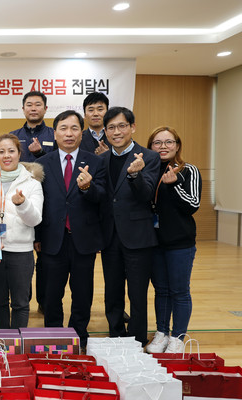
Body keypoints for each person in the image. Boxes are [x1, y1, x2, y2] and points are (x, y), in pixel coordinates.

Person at [34, 111, 105, 347]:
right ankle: (53, 337)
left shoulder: (95, 162)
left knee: (82, 293)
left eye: (74, 128)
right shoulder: (41, 164)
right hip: (52, 239)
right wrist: (36, 236)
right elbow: (37, 204)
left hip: (83, 239)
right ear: (54, 133)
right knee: (52, 294)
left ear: (81, 132)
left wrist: (88, 188)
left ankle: (79, 336)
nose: (68, 133)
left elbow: (102, 198)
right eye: (63, 128)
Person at [99, 107, 160, 345]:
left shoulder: (149, 157)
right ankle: (116, 334)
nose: (117, 131)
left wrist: (135, 176)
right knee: (112, 291)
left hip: (138, 236)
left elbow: (147, 195)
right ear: (105, 131)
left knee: (137, 293)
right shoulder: (101, 159)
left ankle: (136, 338)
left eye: (122, 126)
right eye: (111, 127)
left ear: (132, 127)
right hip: (110, 236)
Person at [145, 127, 201, 354]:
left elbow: (193, 204)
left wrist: (175, 183)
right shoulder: (148, 169)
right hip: (154, 242)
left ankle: (178, 336)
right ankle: (161, 332)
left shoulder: (189, 171)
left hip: (180, 243)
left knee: (179, 290)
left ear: (177, 145)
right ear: (150, 147)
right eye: (157, 143)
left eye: (169, 142)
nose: (163, 147)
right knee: (161, 290)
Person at [0, 133, 43, 329]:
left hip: (21, 252)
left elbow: (35, 220)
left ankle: (17, 350)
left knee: (21, 304)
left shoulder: (32, 183)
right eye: (1, 151)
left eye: (11, 151)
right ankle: (2, 343)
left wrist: (22, 204)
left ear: (19, 153)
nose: (6, 156)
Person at [10, 91, 55, 161]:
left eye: (38, 105)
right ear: (23, 109)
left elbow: (59, 162)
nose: (33, 109)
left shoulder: (55, 134)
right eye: (29, 105)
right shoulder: (13, 136)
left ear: (45, 109)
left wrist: (40, 153)